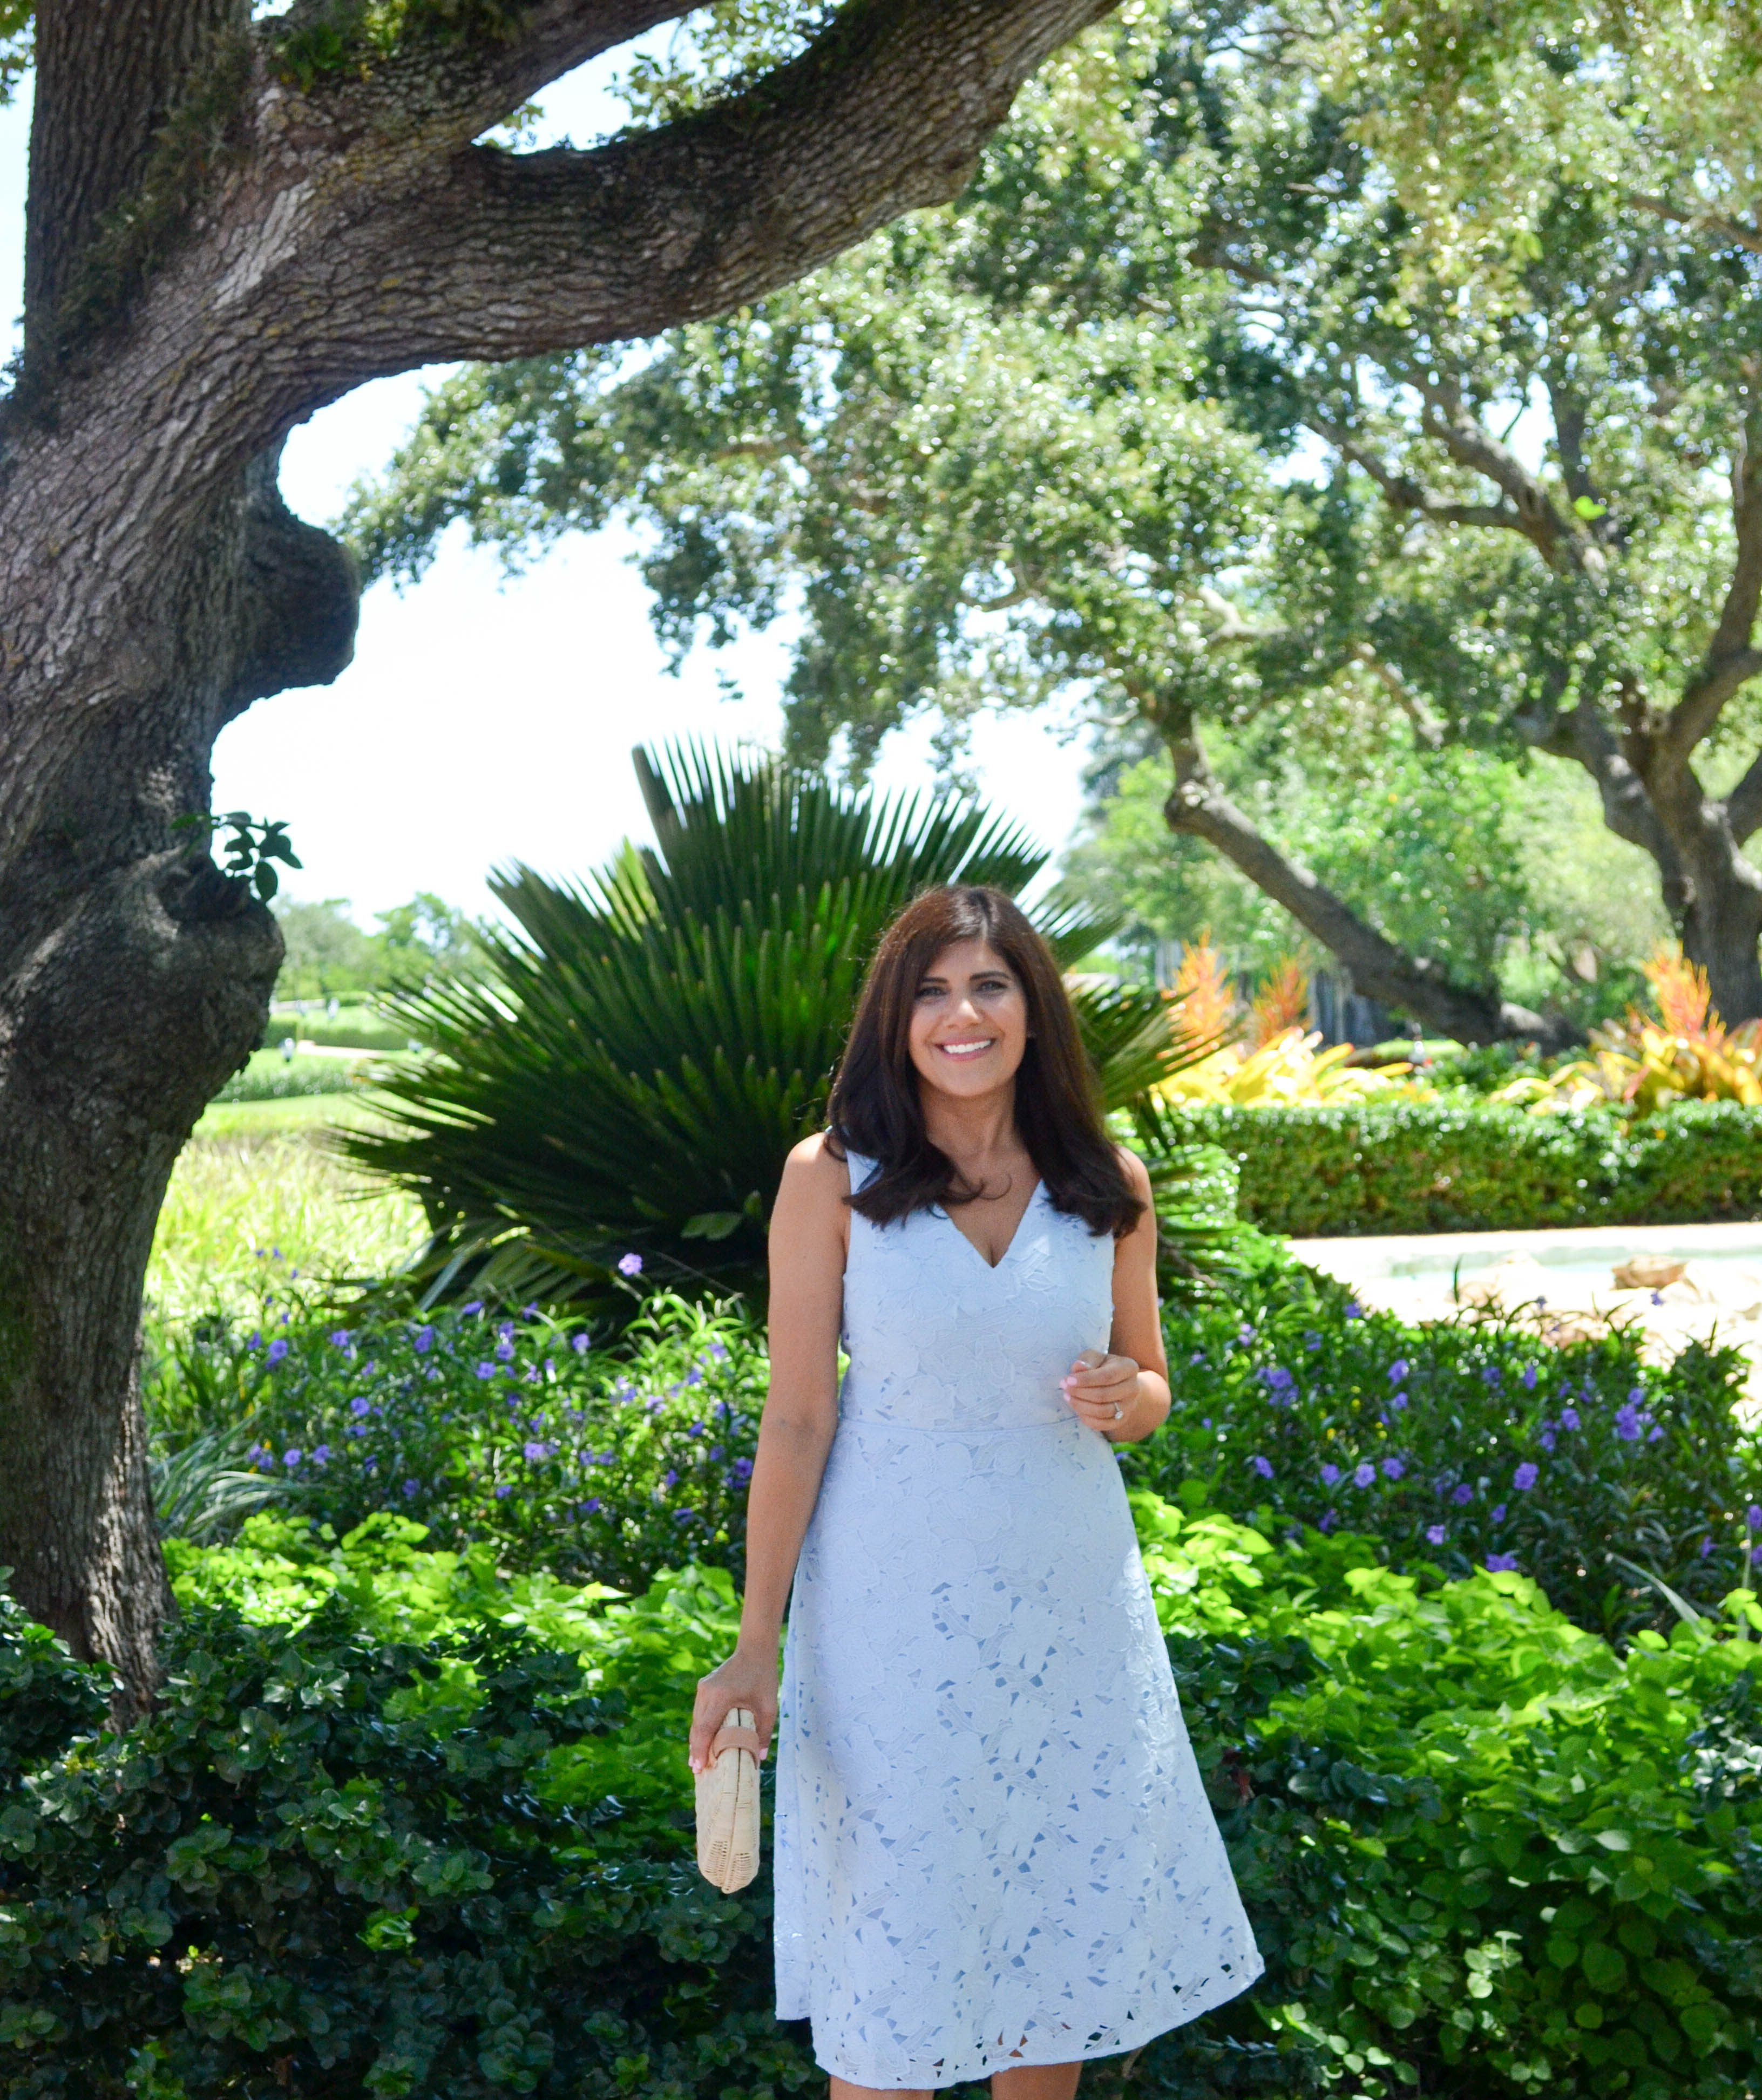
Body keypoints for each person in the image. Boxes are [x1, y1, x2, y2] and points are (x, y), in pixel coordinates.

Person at [688, 885, 1260, 2099]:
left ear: (1033, 1010)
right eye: (932, 990)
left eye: (990, 986)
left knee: (1049, 1946)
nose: (963, 1013)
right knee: (895, 1976)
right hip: (890, 1611)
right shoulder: (830, 1174)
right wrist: (752, 1647)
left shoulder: (1108, 1175)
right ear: (895, 1019)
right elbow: (796, 1414)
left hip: (1071, 1609)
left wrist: (1133, 1395)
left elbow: (1151, 1377)